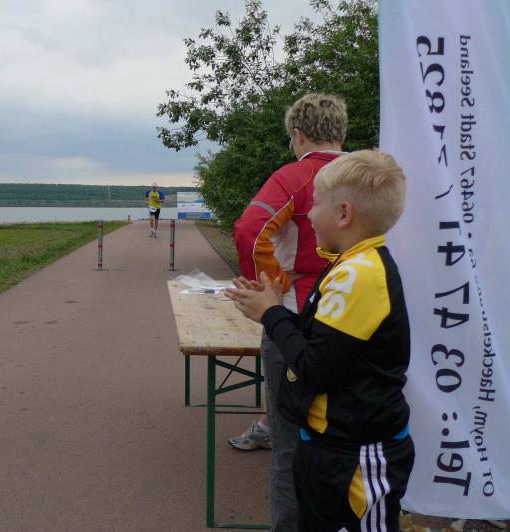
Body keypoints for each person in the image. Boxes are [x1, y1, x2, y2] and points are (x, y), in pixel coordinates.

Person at [225, 150, 414, 532]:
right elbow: (325, 342)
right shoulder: (348, 264)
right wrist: (272, 307)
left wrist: (271, 314)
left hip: (356, 454)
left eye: (315, 205)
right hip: (331, 446)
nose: (309, 215)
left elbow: (314, 367)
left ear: (343, 214)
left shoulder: (360, 274)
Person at [228, 93, 348, 531]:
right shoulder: (369, 173)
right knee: (349, 433)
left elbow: (250, 229)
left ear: (298, 135)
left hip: (297, 313)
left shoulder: (296, 175)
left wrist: (269, 287)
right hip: (360, 310)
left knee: (289, 441)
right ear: (341, 132)